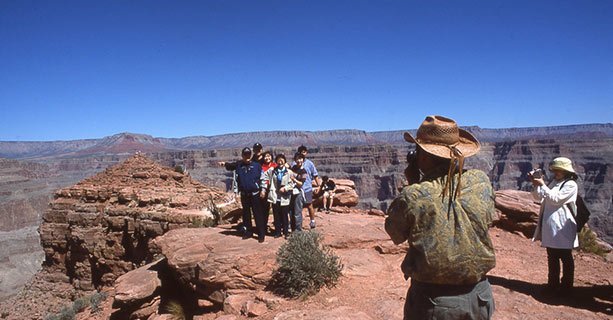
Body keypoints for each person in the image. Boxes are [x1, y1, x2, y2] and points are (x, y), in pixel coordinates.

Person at [385, 115, 496, 320]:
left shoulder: (414, 196)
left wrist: (413, 185)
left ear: (424, 156)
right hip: (480, 297)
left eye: (418, 151)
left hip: (434, 303)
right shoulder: (481, 181)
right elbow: (487, 219)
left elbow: (395, 232)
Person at [531, 157, 579, 296]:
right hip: (551, 226)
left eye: (559, 170)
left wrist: (543, 185)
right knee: (552, 256)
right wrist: (536, 184)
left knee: (565, 257)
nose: (556, 172)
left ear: (565, 171)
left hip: (562, 226)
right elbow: (538, 197)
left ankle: (566, 287)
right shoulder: (555, 182)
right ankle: (552, 285)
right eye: (555, 170)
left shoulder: (570, 185)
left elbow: (556, 199)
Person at [233, 147, 267, 243]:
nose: (247, 156)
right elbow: (236, 180)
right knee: (246, 214)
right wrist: (236, 192)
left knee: (258, 214)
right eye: (245, 154)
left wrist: (263, 190)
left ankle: (261, 234)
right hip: (244, 194)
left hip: (255, 193)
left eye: (248, 154)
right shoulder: (239, 167)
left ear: (251, 155)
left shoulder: (257, 166)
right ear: (242, 155)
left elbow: (263, 179)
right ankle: (248, 232)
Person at [262, 154, 294, 238]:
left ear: (285, 161)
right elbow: (264, 176)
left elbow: (292, 184)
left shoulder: (288, 172)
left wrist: (285, 188)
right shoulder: (272, 171)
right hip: (275, 196)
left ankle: (286, 232)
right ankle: (277, 232)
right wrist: (266, 186)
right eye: (278, 160)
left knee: (284, 215)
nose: (280, 162)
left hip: (285, 197)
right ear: (276, 162)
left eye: (282, 160)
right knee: (276, 216)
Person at [296, 145, 320, 228]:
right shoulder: (294, 163)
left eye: (304, 152)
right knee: (298, 208)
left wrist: (319, 186)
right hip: (298, 189)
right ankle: (298, 224)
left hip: (307, 188)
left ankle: (312, 221)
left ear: (306, 153)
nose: (302, 153)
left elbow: (315, 175)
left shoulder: (310, 164)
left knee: (309, 205)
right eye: (301, 152)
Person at [289, 152, 307, 232]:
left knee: (297, 212)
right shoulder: (294, 168)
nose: (299, 160)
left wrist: (295, 180)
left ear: (303, 160)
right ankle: (293, 229)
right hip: (291, 192)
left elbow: (301, 184)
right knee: (291, 212)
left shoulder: (304, 171)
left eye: (300, 158)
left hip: (298, 193)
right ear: (295, 160)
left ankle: (298, 230)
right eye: (297, 159)